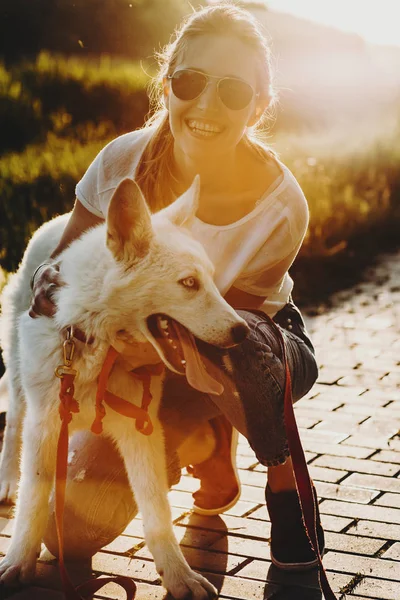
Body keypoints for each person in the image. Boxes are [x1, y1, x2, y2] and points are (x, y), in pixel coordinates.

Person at [28, 3, 324, 571]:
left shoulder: (282, 206)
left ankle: (289, 513)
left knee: (243, 351)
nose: (208, 105)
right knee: (65, 538)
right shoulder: (121, 161)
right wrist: (50, 283)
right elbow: (70, 268)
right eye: (191, 82)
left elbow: (214, 333)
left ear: (259, 106)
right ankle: (206, 447)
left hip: (246, 347)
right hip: (129, 349)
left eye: (234, 92)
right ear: (167, 86)